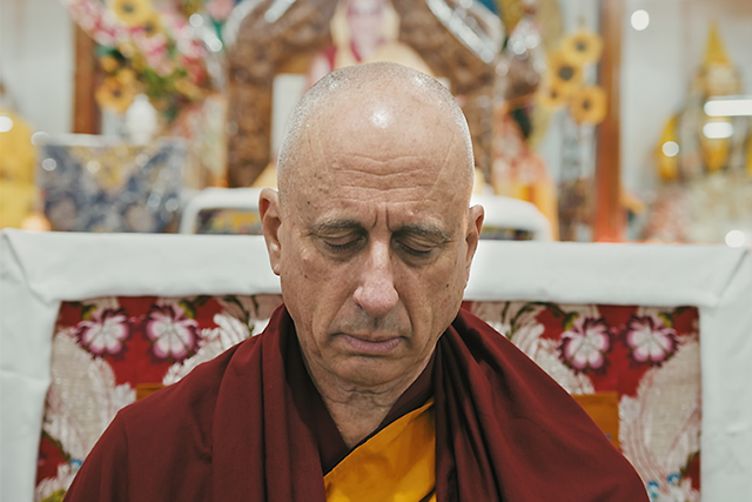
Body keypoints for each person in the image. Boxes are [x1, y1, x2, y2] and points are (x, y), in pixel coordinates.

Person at [64, 63, 647, 501]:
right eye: (339, 240)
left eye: (418, 246)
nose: (377, 293)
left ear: (468, 247)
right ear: (275, 234)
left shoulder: (568, 477)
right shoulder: (149, 464)